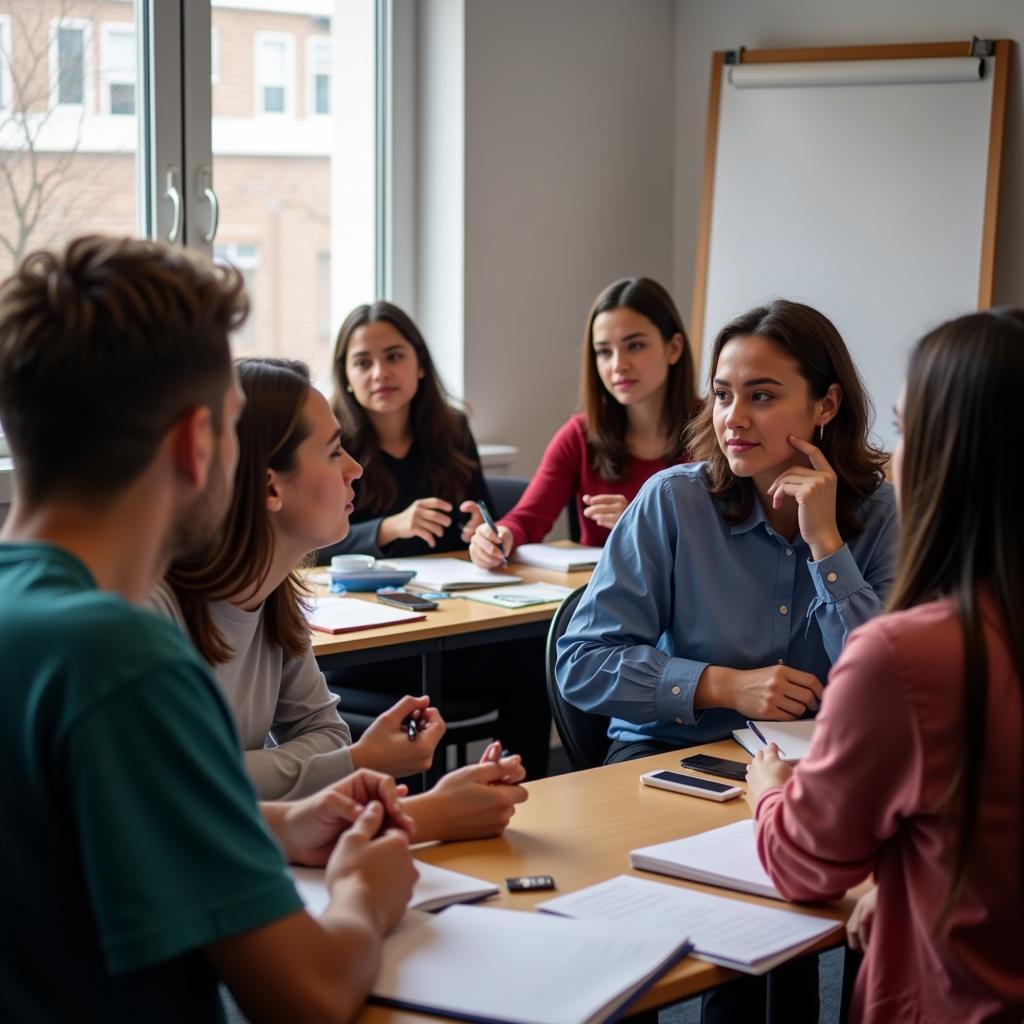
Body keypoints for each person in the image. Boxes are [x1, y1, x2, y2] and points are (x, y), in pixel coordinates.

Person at [0, 235, 417, 1022]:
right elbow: (310, 994)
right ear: (197, 445)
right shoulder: (124, 659)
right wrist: (365, 894)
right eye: (232, 426)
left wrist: (281, 824)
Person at [556, 298, 897, 1024]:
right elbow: (581, 662)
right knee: (737, 930)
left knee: (797, 927)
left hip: (808, 775)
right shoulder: (672, 503)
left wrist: (827, 548)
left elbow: (893, 688)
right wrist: (720, 686)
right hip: (668, 767)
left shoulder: (881, 515)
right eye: (721, 394)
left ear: (827, 403)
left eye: (762, 395)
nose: (732, 418)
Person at [748, 309, 1024, 1024]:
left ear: (953, 454)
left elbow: (804, 864)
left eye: (905, 432)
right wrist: (904, 885)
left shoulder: (909, 654)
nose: (894, 459)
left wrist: (771, 792)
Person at [151, 356, 528, 842]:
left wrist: (338, 760)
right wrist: (361, 765)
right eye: (333, 453)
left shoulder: (275, 594)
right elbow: (182, 791)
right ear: (270, 485)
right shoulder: (153, 612)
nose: (354, 469)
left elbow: (326, 734)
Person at [323, 301, 551, 777]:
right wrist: (389, 528)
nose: (380, 372)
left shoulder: (450, 429)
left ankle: (517, 788)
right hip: (371, 643)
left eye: (394, 356)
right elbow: (310, 546)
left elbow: (483, 518)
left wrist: (485, 538)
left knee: (535, 654)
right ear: (345, 375)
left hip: (449, 626)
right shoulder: (333, 440)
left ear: (420, 364)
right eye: (362, 362)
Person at [469, 276, 697, 567]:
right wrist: (497, 537)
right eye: (604, 352)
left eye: (635, 346)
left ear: (674, 348)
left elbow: (726, 541)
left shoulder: (716, 431)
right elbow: (528, 518)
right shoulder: (579, 435)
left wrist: (645, 521)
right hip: (602, 600)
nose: (618, 365)